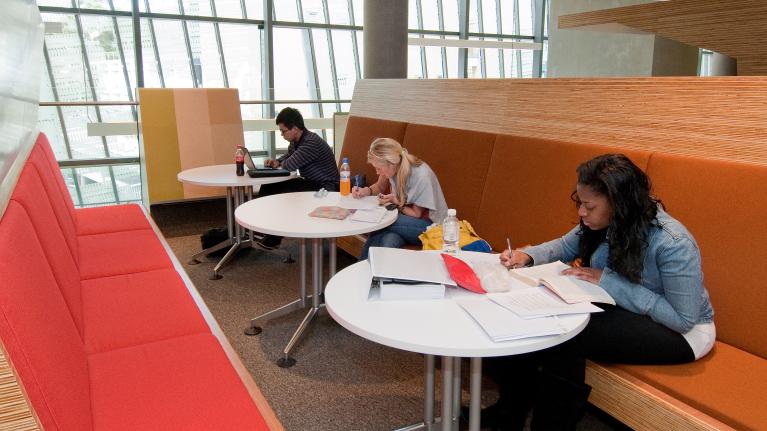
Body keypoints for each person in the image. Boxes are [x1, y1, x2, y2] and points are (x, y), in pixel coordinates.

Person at [483, 153, 715, 431]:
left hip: (683, 334)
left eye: (588, 206)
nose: (581, 212)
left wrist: (609, 280)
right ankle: (509, 413)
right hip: (630, 310)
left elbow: (683, 318)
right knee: (540, 321)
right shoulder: (607, 222)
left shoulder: (673, 242)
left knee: (570, 335)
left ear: (619, 203)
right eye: (580, 203)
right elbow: (564, 246)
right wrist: (526, 255)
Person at [257, 107, 339, 249]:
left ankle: (273, 238)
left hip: (327, 189)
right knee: (269, 186)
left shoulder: (311, 143)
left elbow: (289, 165)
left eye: (283, 131)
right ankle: (262, 228)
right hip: (312, 183)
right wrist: (277, 161)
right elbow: (289, 156)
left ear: (294, 128)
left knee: (288, 190)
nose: (282, 135)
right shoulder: (298, 140)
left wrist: (281, 163)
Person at [352, 138, 448, 260]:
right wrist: (365, 191)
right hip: (405, 223)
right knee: (387, 240)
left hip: (431, 227)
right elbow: (380, 186)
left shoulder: (421, 176)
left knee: (384, 221)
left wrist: (395, 201)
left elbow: (416, 214)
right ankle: (368, 274)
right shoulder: (392, 165)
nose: (377, 172)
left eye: (379, 169)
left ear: (391, 163)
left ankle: (362, 269)